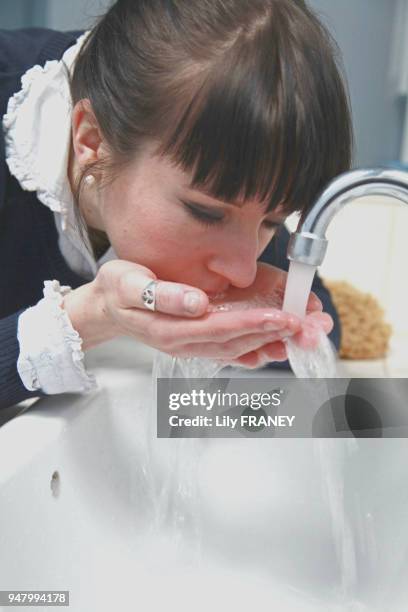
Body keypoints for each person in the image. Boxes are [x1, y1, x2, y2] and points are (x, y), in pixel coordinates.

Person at [0, 0, 352, 411]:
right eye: (206, 213)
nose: (242, 271)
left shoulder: (228, 176)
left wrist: (264, 320)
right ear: (91, 141)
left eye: (273, 220)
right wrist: (88, 316)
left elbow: (323, 329)